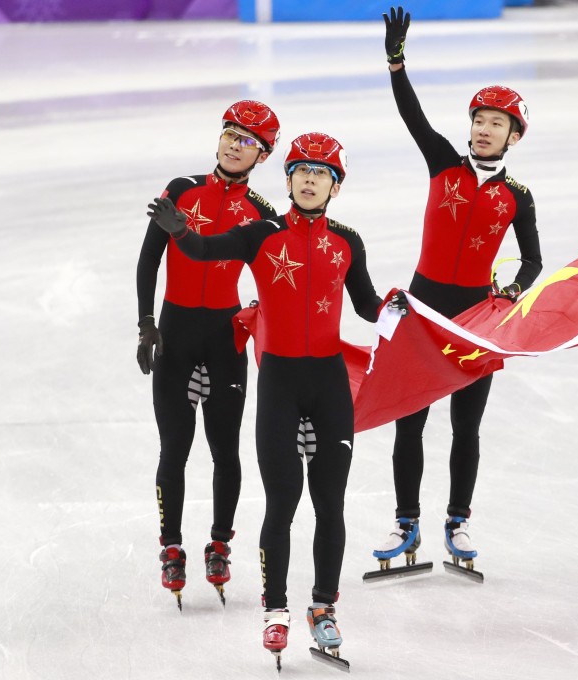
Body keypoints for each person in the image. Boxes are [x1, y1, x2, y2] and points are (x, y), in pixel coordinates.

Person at [147, 132, 401, 669]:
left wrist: (406, 313)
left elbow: (368, 305)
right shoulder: (259, 234)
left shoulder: (348, 242)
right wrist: (180, 230)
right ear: (287, 179)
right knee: (282, 504)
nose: (310, 179)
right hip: (280, 386)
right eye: (302, 171)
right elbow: (203, 249)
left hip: (330, 386)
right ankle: (277, 609)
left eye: (322, 173)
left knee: (330, 504)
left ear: (336, 185)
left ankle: (324, 608)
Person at [372, 6, 543, 574]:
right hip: (422, 310)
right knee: (410, 418)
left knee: (465, 424)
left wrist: (514, 287)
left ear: (514, 135)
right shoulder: (442, 162)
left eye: (496, 122)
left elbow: (536, 259)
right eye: (478, 119)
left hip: (475, 317)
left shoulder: (518, 195)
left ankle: (457, 520)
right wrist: (397, 61)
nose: (482, 128)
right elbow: (411, 115)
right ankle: (405, 520)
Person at [136, 100, 280, 608]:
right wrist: (146, 323)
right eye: (229, 133)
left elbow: (278, 283)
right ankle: (170, 546)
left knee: (225, 450)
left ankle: (220, 543)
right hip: (175, 333)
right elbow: (150, 258)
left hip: (224, 339)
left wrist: (260, 316)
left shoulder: (262, 215)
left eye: (247, 140)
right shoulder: (181, 190)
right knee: (174, 447)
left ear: (262, 155)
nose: (233, 144)